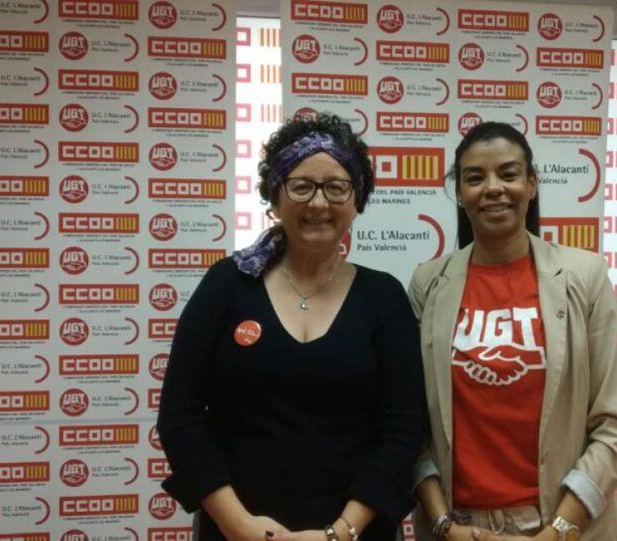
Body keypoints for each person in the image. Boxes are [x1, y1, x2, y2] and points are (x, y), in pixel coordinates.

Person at [158, 113, 427, 541]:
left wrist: (340, 533)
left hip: (357, 533)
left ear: (357, 199)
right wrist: (240, 527)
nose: (318, 203)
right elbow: (181, 416)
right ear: (274, 195)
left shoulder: (384, 298)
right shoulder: (228, 285)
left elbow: (404, 429)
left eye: (336, 187)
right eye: (301, 186)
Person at [407, 122, 617, 541]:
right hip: (458, 528)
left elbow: (615, 426)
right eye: (475, 178)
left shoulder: (585, 277)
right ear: (460, 193)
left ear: (531, 185)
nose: (493, 188)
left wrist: (559, 530)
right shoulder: (428, 284)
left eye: (509, 174)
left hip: (562, 524)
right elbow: (410, 424)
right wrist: (443, 524)